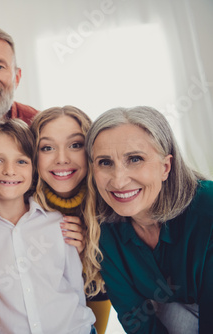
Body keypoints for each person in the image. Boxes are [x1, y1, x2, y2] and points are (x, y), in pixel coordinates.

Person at [85, 106, 213, 333]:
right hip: (177, 311)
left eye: (135, 159)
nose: (119, 181)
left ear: (165, 167)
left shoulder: (207, 209)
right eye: (105, 162)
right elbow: (134, 318)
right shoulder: (103, 231)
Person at [0, 119, 95, 333]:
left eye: (21, 161)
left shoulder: (57, 222)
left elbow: (75, 288)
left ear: (34, 168)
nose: (9, 170)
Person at [30, 106, 110, 333]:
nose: (62, 159)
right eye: (47, 148)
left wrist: (88, 255)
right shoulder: (22, 206)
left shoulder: (109, 203)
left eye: (75, 145)